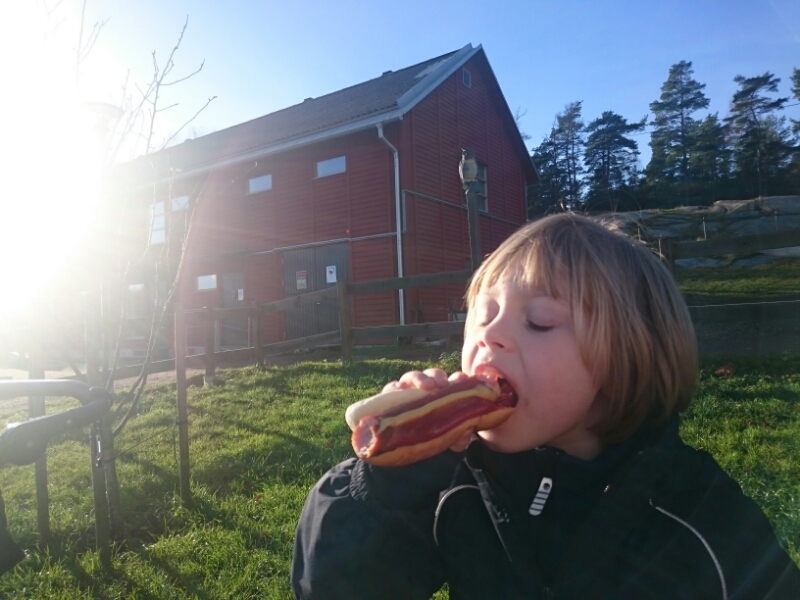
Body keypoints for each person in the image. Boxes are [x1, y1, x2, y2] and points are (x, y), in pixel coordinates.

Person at [291, 213, 800, 599]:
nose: (491, 335)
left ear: (624, 357)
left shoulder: (700, 514)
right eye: (483, 315)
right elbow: (334, 588)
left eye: (538, 321)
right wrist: (386, 488)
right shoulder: (457, 486)